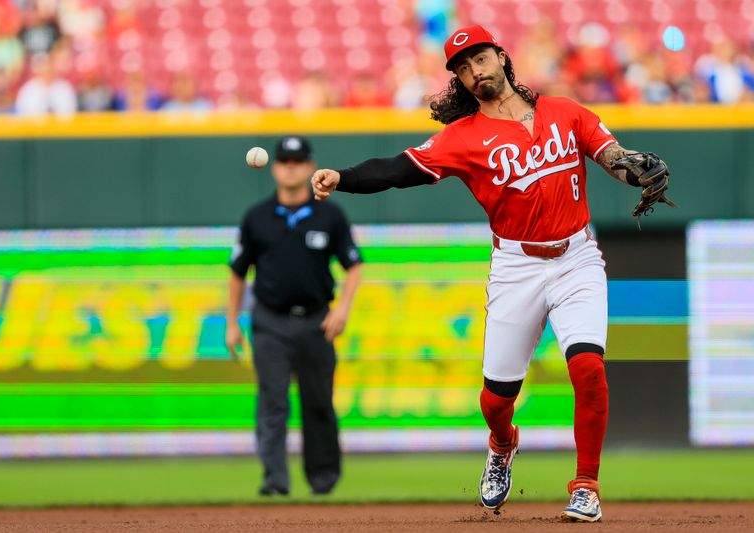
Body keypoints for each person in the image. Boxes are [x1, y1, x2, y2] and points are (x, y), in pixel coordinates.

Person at [311, 25, 673, 522]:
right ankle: (502, 444)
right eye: (461, 67)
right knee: (497, 397)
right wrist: (343, 178)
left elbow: (611, 157)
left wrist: (635, 167)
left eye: (478, 58)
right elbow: (397, 169)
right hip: (516, 267)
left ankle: (586, 484)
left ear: (501, 57)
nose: (472, 70)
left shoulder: (565, 112)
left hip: (577, 258)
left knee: (587, 369)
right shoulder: (462, 138)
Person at [226, 135, 363, 497]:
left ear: (308, 166)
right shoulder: (256, 218)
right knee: (272, 402)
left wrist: (343, 309)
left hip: (316, 321)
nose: (290, 168)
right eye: (285, 161)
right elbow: (237, 272)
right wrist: (231, 324)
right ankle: (274, 482)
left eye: (297, 161)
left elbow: (354, 264)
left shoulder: (329, 214)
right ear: (274, 167)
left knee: (318, 402)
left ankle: (323, 482)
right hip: (270, 321)